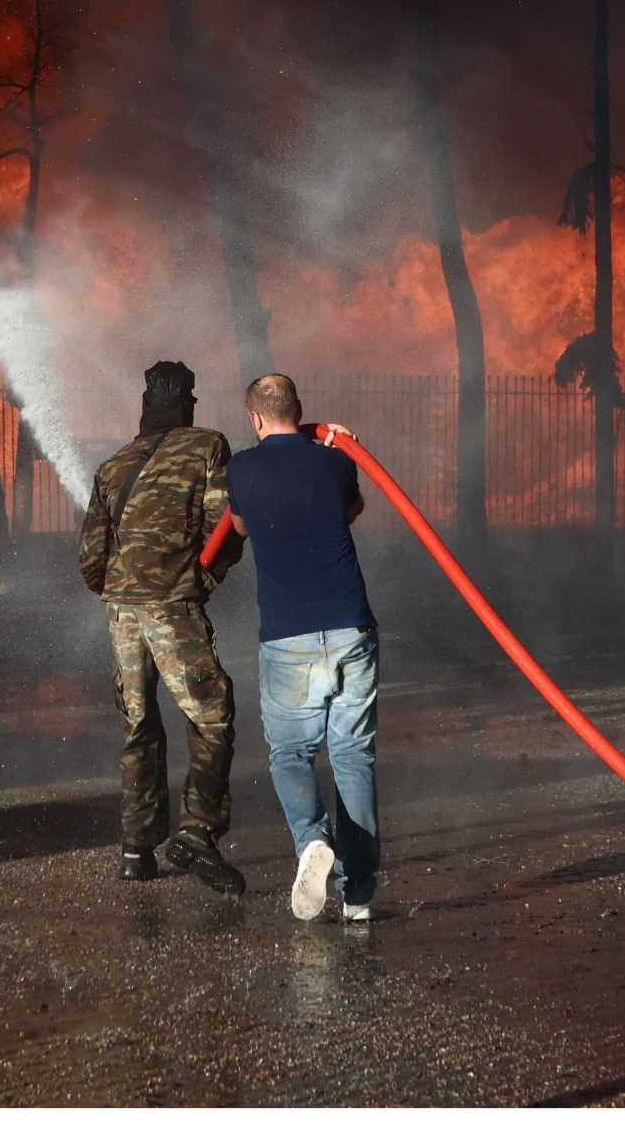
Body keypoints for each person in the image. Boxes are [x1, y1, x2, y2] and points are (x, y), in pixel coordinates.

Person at [77, 360, 248, 895]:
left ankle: (136, 850)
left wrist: (120, 590)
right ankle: (197, 832)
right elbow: (224, 526)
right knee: (212, 714)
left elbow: (90, 558)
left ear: (146, 403)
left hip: (120, 610)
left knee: (139, 724)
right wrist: (199, 579)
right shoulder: (208, 446)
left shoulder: (113, 465)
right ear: (188, 403)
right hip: (173, 604)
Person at [227, 373, 379, 924]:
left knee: (291, 754)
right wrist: (335, 442)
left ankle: (313, 839)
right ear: (299, 408)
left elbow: (239, 527)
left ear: (255, 417)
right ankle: (358, 897)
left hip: (287, 636)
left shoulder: (241, 468)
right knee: (353, 757)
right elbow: (352, 508)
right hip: (351, 629)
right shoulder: (336, 461)